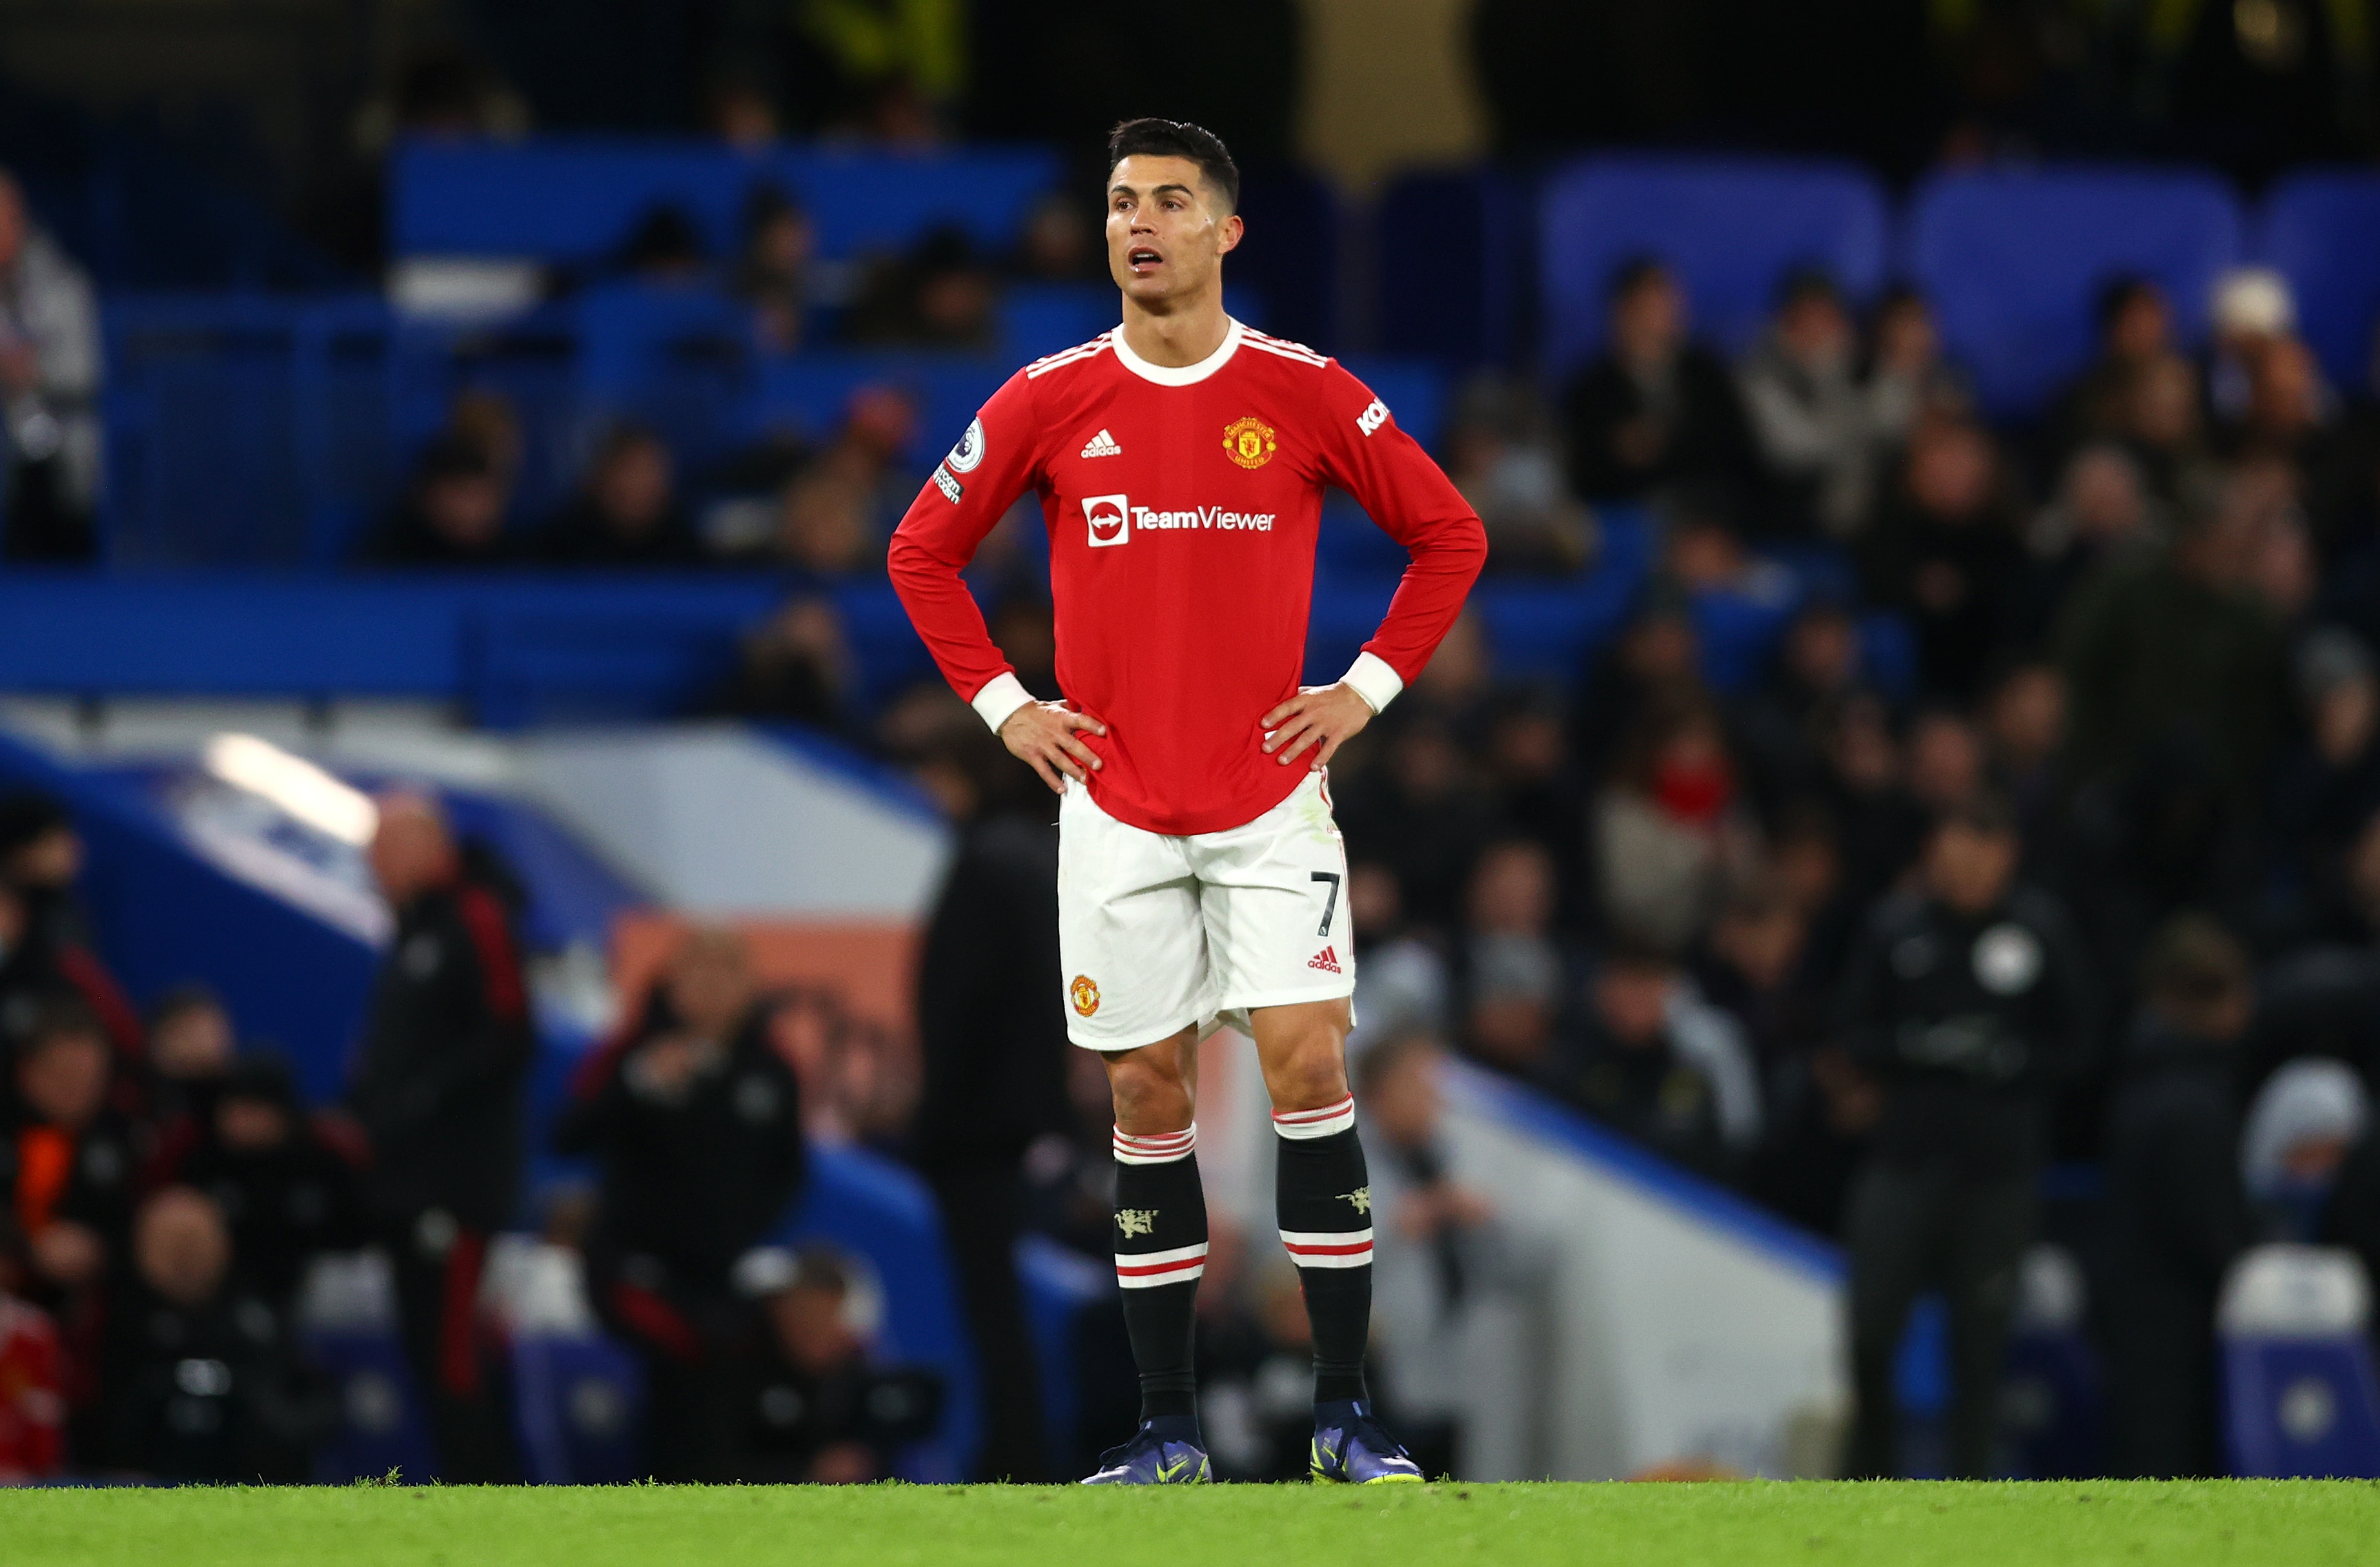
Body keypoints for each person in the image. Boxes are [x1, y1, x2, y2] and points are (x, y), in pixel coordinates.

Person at [886, 118, 1487, 1486]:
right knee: (1145, 1095)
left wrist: (1363, 690)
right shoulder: (1047, 396)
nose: (1136, 223)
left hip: (1270, 801)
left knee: (1307, 1065)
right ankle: (1166, 1428)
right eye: (1116, 203)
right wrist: (1005, 709)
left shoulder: (1306, 390)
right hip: (1113, 812)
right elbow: (919, 549)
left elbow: (1453, 533)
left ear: (1226, 230)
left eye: (1166, 200)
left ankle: (1347, 1413)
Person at [1835, 793, 2095, 1479]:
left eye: (1979, 859)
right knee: (1869, 1333)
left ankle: (1969, 1512)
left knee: (1981, 1355)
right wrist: (1916, 1049)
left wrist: (2008, 1059)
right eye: (1950, 858)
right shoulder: (1897, 930)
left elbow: (2081, 1046)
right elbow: (1851, 1032)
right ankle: (1867, 1490)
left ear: (2005, 857)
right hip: (1903, 1162)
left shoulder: (2040, 931)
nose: (1964, 874)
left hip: (1997, 1173)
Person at [555, 925, 806, 1481]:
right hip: (632, 1266)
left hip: (716, 1272)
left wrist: (744, 1230)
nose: (713, 990)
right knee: (692, 1358)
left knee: (747, 1361)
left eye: (728, 975)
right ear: (672, 984)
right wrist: (639, 1081)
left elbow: (789, 1171)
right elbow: (566, 1133)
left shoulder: (771, 1070)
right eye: (699, 974)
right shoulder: (632, 1050)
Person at [345, 790, 532, 1482]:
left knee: (452, 1356)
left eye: (388, 846)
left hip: (455, 1187)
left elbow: (510, 1031)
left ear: (433, 847)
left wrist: (420, 1098)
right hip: (406, 1181)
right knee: (432, 1355)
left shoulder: (474, 917)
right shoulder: (410, 931)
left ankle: (489, 1516)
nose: (374, 863)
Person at [910, 722, 1072, 1481]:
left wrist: (936, 1116)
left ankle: (1013, 1456)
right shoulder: (1034, 856)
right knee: (999, 1310)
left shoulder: (987, 862)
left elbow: (960, 1005)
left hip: (978, 1127)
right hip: (1018, 1123)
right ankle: (1016, 1451)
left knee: (992, 1311)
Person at [2101, 915, 2254, 1479]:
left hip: (2135, 1316)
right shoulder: (2190, 1100)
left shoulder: (2141, 1075)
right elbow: (2209, 1229)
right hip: (2172, 1331)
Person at [90, 1187, 329, 1481]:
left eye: (194, 1240)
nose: (184, 1256)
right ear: (140, 1249)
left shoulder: (259, 1321)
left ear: (224, 1243)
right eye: (169, 1243)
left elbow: (311, 1409)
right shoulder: (113, 1326)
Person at [159, 1052, 369, 1309]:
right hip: (217, 1300)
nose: (239, 1120)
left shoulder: (323, 1165)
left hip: (320, 1306)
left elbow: (357, 1244)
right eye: (231, 1108)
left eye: (252, 1109)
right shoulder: (202, 1164)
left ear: (282, 1113)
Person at [1560, 258, 1757, 502]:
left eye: (1665, 305)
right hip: (1626, 514)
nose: (1656, 319)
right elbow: (1582, 470)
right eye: (1645, 308)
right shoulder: (1591, 388)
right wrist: (1621, 451)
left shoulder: (1706, 374)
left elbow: (1734, 451)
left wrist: (1665, 446)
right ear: (1621, 313)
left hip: (1704, 510)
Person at [0, 169, 101, 563]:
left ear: (18, 218)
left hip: (62, 477)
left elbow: (86, 376)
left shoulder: (63, 287)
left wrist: (35, 373)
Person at [539, 425, 702, 568]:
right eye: (627, 470)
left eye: (647, 471)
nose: (637, 483)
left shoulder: (691, 555)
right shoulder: (554, 552)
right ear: (599, 478)